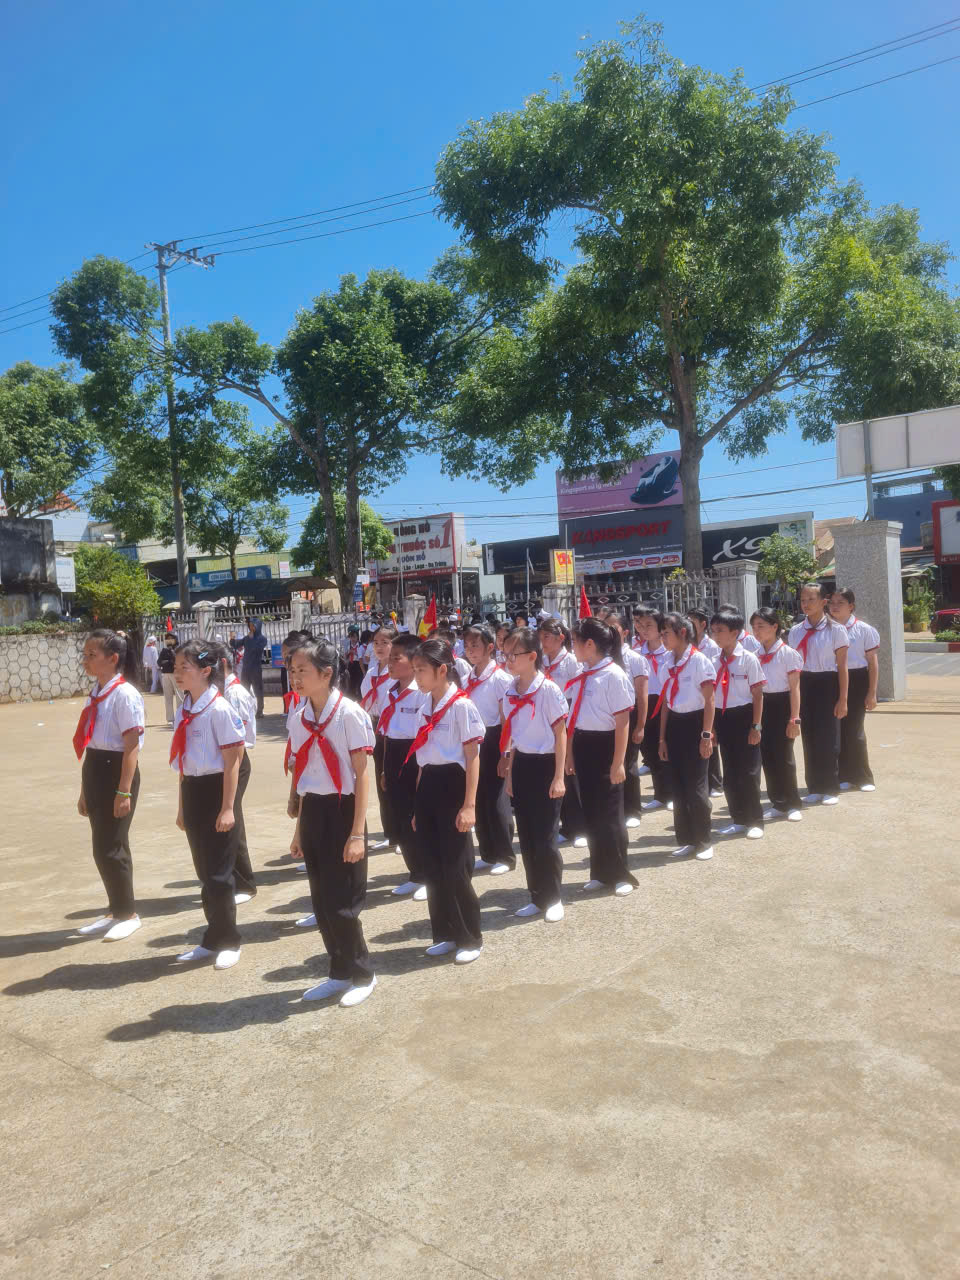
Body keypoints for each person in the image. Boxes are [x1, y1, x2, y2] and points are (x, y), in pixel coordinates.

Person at [288, 641, 377, 1007]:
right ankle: (338, 971)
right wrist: (299, 830)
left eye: (302, 671)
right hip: (314, 811)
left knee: (344, 903)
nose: (295, 678)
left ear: (326, 674)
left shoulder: (350, 715)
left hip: (344, 811)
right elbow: (303, 775)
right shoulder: (299, 717)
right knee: (321, 900)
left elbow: (362, 775)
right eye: (292, 671)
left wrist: (357, 833)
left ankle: (363, 973)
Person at [410, 637, 486, 965]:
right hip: (428, 784)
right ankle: (445, 933)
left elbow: (472, 757)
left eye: (421, 670)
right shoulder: (424, 706)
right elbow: (422, 759)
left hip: (453, 785)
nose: (416, 677)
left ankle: (470, 936)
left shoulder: (461, 707)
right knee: (433, 865)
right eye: (415, 670)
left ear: (442, 670)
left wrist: (469, 805)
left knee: (456, 866)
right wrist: (418, 805)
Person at [171, 641, 247, 969]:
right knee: (204, 870)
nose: (177, 674)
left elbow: (233, 761)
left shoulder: (219, 709)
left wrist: (228, 807)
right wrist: (182, 806)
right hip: (193, 790)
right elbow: (183, 761)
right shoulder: (184, 708)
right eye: (175, 668)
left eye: (184, 668)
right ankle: (212, 936)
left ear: (205, 670)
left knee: (219, 873)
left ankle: (229, 939)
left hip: (217, 790)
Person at [73, 629, 145, 941]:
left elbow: (131, 747)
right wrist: (84, 790)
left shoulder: (125, 695)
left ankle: (128, 914)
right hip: (95, 768)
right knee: (101, 846)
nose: (85, 660)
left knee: (112, 846)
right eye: (85, 654)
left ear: (113, 658)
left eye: (92, 655)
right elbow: (91, 742)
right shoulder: (97, 692)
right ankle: (116, 909)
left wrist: (124, 790)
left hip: (117, 770)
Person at [564, 618, 637, 895]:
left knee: (610, 814)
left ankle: (620, 873)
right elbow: (574, 718)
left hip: (607, 746)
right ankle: (600, 871)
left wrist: (618, 762)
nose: (573, 647)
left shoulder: (613, 675)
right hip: (584, 745)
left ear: (590, 644)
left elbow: (622, 722)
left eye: (575, 642)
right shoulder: (584, 674)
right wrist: (570, 754)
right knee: (592, 811)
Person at [499, 627, 567, 921]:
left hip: (546, 764)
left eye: (514, 654)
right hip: (523, 764)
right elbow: (513, 736)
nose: (508, 660)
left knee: (545, 835)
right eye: (505, 654)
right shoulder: (510, 691)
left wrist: (559, 776)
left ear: (532, 656)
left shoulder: (548, 690)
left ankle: (553, 898)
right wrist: (510, 774)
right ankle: (536, 896)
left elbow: (560, 733)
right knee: (526, 836)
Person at [657, 614, 717, 860]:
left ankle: (704, 840)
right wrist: (662, 738)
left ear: (682, 632)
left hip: (696, 723)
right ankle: (687, 839)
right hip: (675, 724)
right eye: (661, 633)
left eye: (666, 633)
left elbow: (709, 700)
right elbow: (665, 703)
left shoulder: (699, 661)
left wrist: (706, 735)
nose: (663, 638)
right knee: (679, 786)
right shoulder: (666, 663)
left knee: (696, 786)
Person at [377, 633, 429, 900]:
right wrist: (385, 768)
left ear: (413, 660)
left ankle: (429, 874)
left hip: (415, 755)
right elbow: (387, 732)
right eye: (390, 658)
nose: (390, 663)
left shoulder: (421, 694)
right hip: (394, 755)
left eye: (396, 658)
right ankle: (415, 872)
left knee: (417, 817)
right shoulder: (391, 691)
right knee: (400, 816)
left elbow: (424, 736)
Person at [788, 584, 849, 806]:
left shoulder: (836, 630)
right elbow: (792, 666)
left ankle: (830, 786)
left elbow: (842, 667)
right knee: (810, 736)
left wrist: (843, 699)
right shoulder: (796, 631)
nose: (806, 604)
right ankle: (814, 786)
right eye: (803, 600)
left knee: (828, 737)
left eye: (811, 599)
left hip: (827, 683)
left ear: (824, 602)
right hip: (804, 683)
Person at [462, 623, 515, 875]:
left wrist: (506, 753)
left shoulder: (500, 679)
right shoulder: (467, 678)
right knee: (479, 797)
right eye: (467, 645)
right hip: (474, 741)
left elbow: (507, 720)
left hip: (494, 738)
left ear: (490, 647)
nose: (470, 650)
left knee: (496, 798)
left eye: (475, 645)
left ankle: (505, 854)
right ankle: (487, 852)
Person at [708, 608, 765, 840]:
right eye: (713, 631)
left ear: (735, 633)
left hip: (744, 716)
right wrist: (711, 727)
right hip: (723, 717)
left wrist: (756, 726)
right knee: (730, 771)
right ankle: (738, 818)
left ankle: (755, 820)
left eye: (720, 630)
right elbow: (711, 697)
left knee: (748, 771)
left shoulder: (748, 659)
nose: (715, 635)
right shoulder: (713, 661)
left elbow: (758, 695)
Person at [750, 607, 804, 822]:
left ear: (775, 626)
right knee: (767, 756)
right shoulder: (754, 655)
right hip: (762, 706)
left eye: (761, 626)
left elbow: (795, 689)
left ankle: (792, 803)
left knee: (784, 756)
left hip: (782, 706)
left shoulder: (788, 654)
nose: (756, 631)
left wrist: (794, 718)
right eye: (754, 627)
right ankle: (778, 802)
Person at [829, 589, 879, 793]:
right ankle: (843, 775)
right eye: (832, 602)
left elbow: (873, 664)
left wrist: (872, 692)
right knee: (837, 731)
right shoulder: (826, 629)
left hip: (857, 680)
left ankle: (863, 776)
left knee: (855, 729)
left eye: (840, 602)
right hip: (832, 680)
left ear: (851, 606)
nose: (834, 606)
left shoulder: (864, 630)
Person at [221, 646, 259, 905]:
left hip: (236, 758)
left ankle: (244, 881)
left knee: (232, 815)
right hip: (224, 760)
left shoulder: (234, 693)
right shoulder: (221, 691)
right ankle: (230, 877)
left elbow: (240, 735)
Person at [359, 624, 398, 851]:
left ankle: (402, 834)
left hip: (392, 729)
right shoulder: (372, 672)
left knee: (394, 782)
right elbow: (366, 700)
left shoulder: (397, 673)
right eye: (376, 643)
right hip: (375, 728)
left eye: (385, 642)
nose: (380, 647)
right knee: (381, 782)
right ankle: (390, 833)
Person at [610, 614, 649, 827]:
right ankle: (616, 808)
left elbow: (642, 695)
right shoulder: (602, 658)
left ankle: (632, 809)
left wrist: (640, 725)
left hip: (629, 714)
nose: (608, 631)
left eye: (613, 628)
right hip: (609, 717)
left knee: (629, 762)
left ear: (625, 632)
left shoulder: (635, 659)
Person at [633, 605, 672, 811]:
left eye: (649, 625)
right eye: (641, 625)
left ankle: (673, 793)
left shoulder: (670, 652)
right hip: (645, 703)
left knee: (668, 749)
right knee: (650, 750)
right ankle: (661, 794)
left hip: (666, 703)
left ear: (660, 627)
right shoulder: (637, 654)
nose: (644, 629)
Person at [688, 609, 724, 796]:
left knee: (711, 738)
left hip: (709, 698)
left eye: (692, 623)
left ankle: (715, 782)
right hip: (694, 700)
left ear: (703, 625)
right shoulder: (686, 646)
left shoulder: (712, 646)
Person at [231, 618, 268, 718]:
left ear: (257, 627)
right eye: (250, 625)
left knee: (258, 690)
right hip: (246, 668)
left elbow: (256, 650)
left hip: (256, 668)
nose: (251, 628)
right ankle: (245, 710)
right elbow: (236, 645)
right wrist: (232, 639)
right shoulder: (247, 638)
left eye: (253, 626)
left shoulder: (262, 639)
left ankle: (259, 711)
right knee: (244, 690)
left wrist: (251, 639)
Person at [157, 633, 180, 724]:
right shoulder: (164, 650)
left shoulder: (178, 649)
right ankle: (170, 718)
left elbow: (176, 661)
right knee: (168, 697)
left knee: (179, 696)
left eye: (171, 638)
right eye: (167, 639)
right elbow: (159, 662)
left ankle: (180, 717)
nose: (169, 640)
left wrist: (169, 657)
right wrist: (168, 662)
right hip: (166, 674)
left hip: (176, 674)